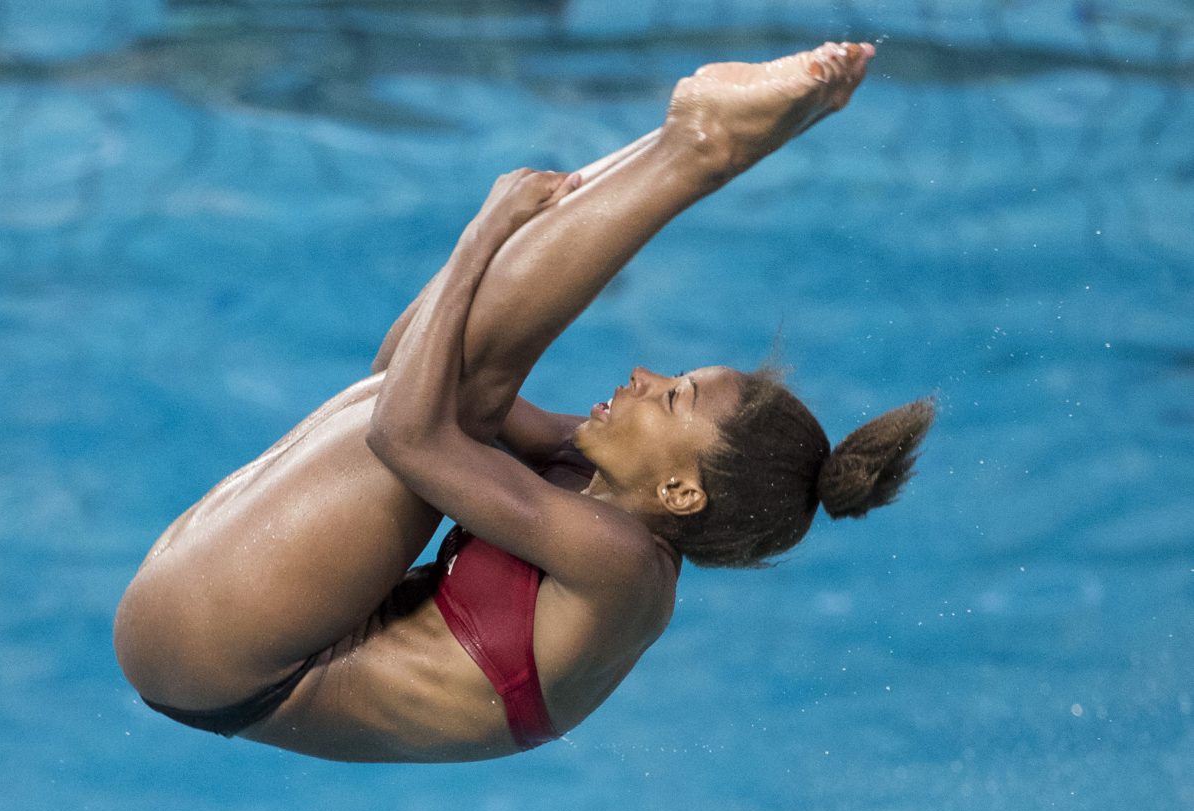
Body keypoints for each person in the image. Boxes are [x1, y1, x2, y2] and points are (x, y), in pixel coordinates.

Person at [113, 41, 933, 762]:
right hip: (222, 630)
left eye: (674, 398)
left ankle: (702, 148)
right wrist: (517, 222)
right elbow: (406, 363)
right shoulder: (604, 478)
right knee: (459, 383)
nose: (645, 376)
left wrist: (481, 236)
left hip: (223, 663)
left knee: (455, 401)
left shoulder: (622, 569)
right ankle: (692, 140)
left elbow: (407, 432)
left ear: (682, 491)